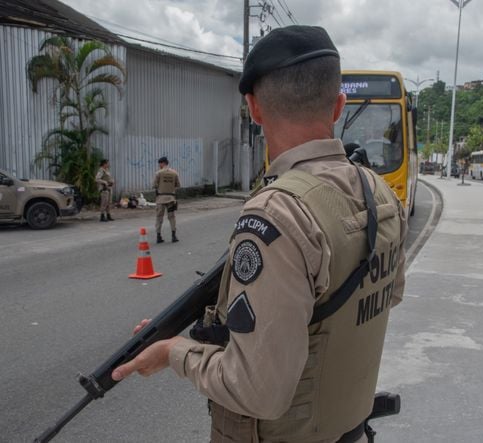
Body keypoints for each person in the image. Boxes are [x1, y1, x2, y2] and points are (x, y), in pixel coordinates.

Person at [112, 25, 406, 443]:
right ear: (339, 106)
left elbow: (259, 393)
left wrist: (173, 353)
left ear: (253, 108)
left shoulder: (277, 213)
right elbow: (384, 295)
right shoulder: (378, 191)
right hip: (349, 429)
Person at [153, 156, 180, 243]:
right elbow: (178, 185)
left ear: (162, 163)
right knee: (172, 217)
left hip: (160, 199)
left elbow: (154, 185)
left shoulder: (158, 173)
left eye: (159, 164)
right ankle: (173, 235)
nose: (159, 166)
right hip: (171, 198)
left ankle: (158, 236)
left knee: (159, 217)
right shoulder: (174, 173)